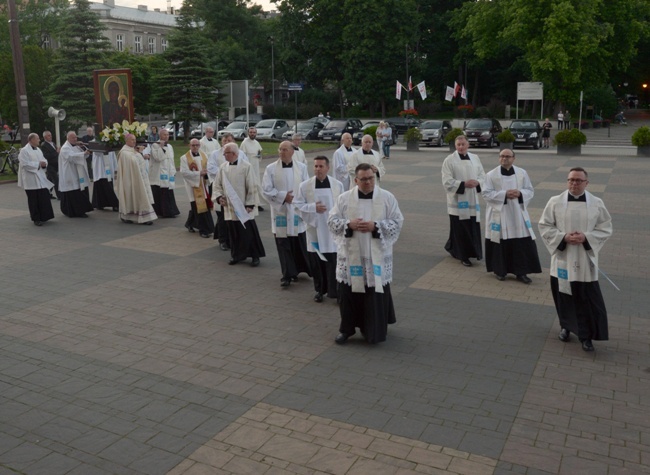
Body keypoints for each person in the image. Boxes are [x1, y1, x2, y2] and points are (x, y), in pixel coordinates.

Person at [538, 167, 613, 352]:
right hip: (563, 257)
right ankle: (566, 327)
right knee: (564, 295)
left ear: (586, 183)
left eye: (579, 180)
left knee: (586, 297)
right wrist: (563, 237)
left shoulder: (596, 203)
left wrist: (586, 237)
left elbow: (605, 227)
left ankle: (586, 336)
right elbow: (544, 225)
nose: (574, 183)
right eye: (571, 180)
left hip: (584, 258)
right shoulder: (555, 201)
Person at [328, 163, 404, 344]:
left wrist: (376, 226)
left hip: (375, 256)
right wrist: (349, 224)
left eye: (371, 178)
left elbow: (397, 221)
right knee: (348, 292)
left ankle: (373, 331)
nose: (369, 182)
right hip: (351, 254)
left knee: (374, 291)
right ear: (355, 180)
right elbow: (332, 220)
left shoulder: (386, 197)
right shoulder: (344, 198)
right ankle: (346, 329)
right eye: (364, 179)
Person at [482, 149, 541, 283]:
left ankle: (521, 272)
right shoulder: (491, 175)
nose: (504, 159)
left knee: (520, 243)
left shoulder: (522, 173)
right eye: (502, 156)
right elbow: (486, 194)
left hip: (517, 213)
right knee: (499, 242)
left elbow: (530, 190)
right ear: (499, 158)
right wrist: (504, 194)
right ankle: (500, 270)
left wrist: (520, 194)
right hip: (499, 213)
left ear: (514, 158)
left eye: (508, 156)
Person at [294, 156, 344, 302]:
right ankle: (319, 290)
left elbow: (342, 206)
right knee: (317, 262)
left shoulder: (337, 185)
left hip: (332, 230)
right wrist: (313, 208)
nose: (317, 169)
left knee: (333, 262)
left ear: (328, 168)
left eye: (321, 166)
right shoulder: (304, 186)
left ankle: (335, 292)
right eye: (315, 166)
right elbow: (297, 205)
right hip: (314, 229)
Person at [262, 141, 311, 287]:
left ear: (292, 152)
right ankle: (287, 275)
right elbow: (266, 189)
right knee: (283, 243)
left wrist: (300, 201)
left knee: (298, 242)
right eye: (280, 149)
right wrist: (283, 196)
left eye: (285, 149)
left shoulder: (301, 168)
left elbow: (307, 187)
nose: (282, 152)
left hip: (296, 210)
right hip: (281, 211)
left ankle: (300, 269)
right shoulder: (270, 168)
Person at [213, 142, 265, 267]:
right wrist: (219, 197)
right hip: (230, 207)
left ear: (235, 153)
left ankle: (254, 256)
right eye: (224, 152)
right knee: (233, 232)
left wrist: (250, 204)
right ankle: (237, 255)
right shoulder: (223, 167)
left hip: (244, 207)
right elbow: (217, 184)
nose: (224, 155)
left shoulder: (246, 166)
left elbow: (252, 185)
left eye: (226, 153)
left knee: (248, 232)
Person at [441, 135, 485, 266]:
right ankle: (463, 255)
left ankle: (462, 249)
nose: (460, 147)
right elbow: (446, 181)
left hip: (472, 199)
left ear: (468, 145)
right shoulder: (449, 160)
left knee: (471, 226)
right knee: (459, 228)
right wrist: (463, 184)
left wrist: (478, 182)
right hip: (457, 200)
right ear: (455, 145)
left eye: (463, 144)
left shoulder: (475, 158)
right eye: (458, 145)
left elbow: (483, 175)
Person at [208, 133, 249, 251]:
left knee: (236, 216)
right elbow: (211, 168)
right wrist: (226, 173)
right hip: (222, 188)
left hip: (237, 190)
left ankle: (235, 239)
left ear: (234, 141)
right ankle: (223, 240)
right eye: (225, 140)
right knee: (222, 217)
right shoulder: (215, 154)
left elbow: (245, 168)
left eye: (229, 140)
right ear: (221, 142)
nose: (227, 142)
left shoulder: (241, 154)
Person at [114, 134, 157, 224]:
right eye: (132, 140)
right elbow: (134, 162)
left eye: (135, 139)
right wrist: (139, 153)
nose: (134, 141)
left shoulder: (131, 150)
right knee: (135, 196)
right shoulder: (124, 153)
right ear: (126, 141)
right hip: (130, 180)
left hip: (138, 178)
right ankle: (135, 217)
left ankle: (141, 217)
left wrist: (137, 152)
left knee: (139, 196)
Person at [17, 133, 55, 226]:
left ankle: (44, 216)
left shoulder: (38, 149)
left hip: (40, 178)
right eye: (37, 139)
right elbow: (25, 164)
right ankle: (36, 218)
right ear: (31, 140)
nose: (39, 140)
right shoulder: (24, 151)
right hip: (31, 180)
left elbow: (44, 159)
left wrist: (44, 163)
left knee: (43, 197)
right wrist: (38, 164)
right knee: (33, 200)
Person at [181, 138, 215, 238]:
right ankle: (203, 230)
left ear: (199, 145)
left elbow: (209, 168)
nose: (195, 147)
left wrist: (206, 175)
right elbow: (184, 172)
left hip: (203, 184)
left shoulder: (204, 155)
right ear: (189, 146)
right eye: (193, 145)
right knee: (198, 207)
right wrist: (199, 173)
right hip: (193, 185)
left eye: (197, 145)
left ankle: (190, 223)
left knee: (199, 206)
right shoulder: (184, 158)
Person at [59, 131, 93, 218]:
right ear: (68, 138)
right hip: (70, 174)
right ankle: (76, 211)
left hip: (78, 174)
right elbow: (71, 157)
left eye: (75, 137)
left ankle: (83, 209)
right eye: (73, 138)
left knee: (81, 191)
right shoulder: (65, 148)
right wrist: (83, 153)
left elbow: (83, 156)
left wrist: (85, 152)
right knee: (74, 193)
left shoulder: (76, 147)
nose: (75, 139)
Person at [149, 129, 180, 218]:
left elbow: (171, 160)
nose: (166, 136)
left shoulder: (170, 146)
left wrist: (173, 171)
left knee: (169, 191)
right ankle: (163, 212)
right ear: (160, 136)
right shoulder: (155, 145)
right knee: (161, 192)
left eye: (167, 135)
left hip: (169, 172)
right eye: (164, 135)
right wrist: (161, 147)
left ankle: (172, 210)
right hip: (159, 174)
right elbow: (158, 158)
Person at [239, 127, 264, 211]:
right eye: (251, 132)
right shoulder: (244, 143)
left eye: (254, 132)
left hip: (255, 166)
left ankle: (257, 203)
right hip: (248, 166)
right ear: (248, 133)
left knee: (257, 184)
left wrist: (259, 155)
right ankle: (249, 202)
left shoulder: (256, 142)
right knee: (249, 184)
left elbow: (259, 152)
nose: (252, 134)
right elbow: (242, 156)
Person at [41, 130, 60, 199]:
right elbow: (46, 156)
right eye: (49, 135)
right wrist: (56, 152)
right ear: (45, 137)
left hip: (55, 164)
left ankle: (47, 194)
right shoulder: (44, 145)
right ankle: (60, 196)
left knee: (49, 181)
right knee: (56, 180)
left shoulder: (53, 143)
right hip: (50, 165)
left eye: (51, 135)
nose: (50, 136)